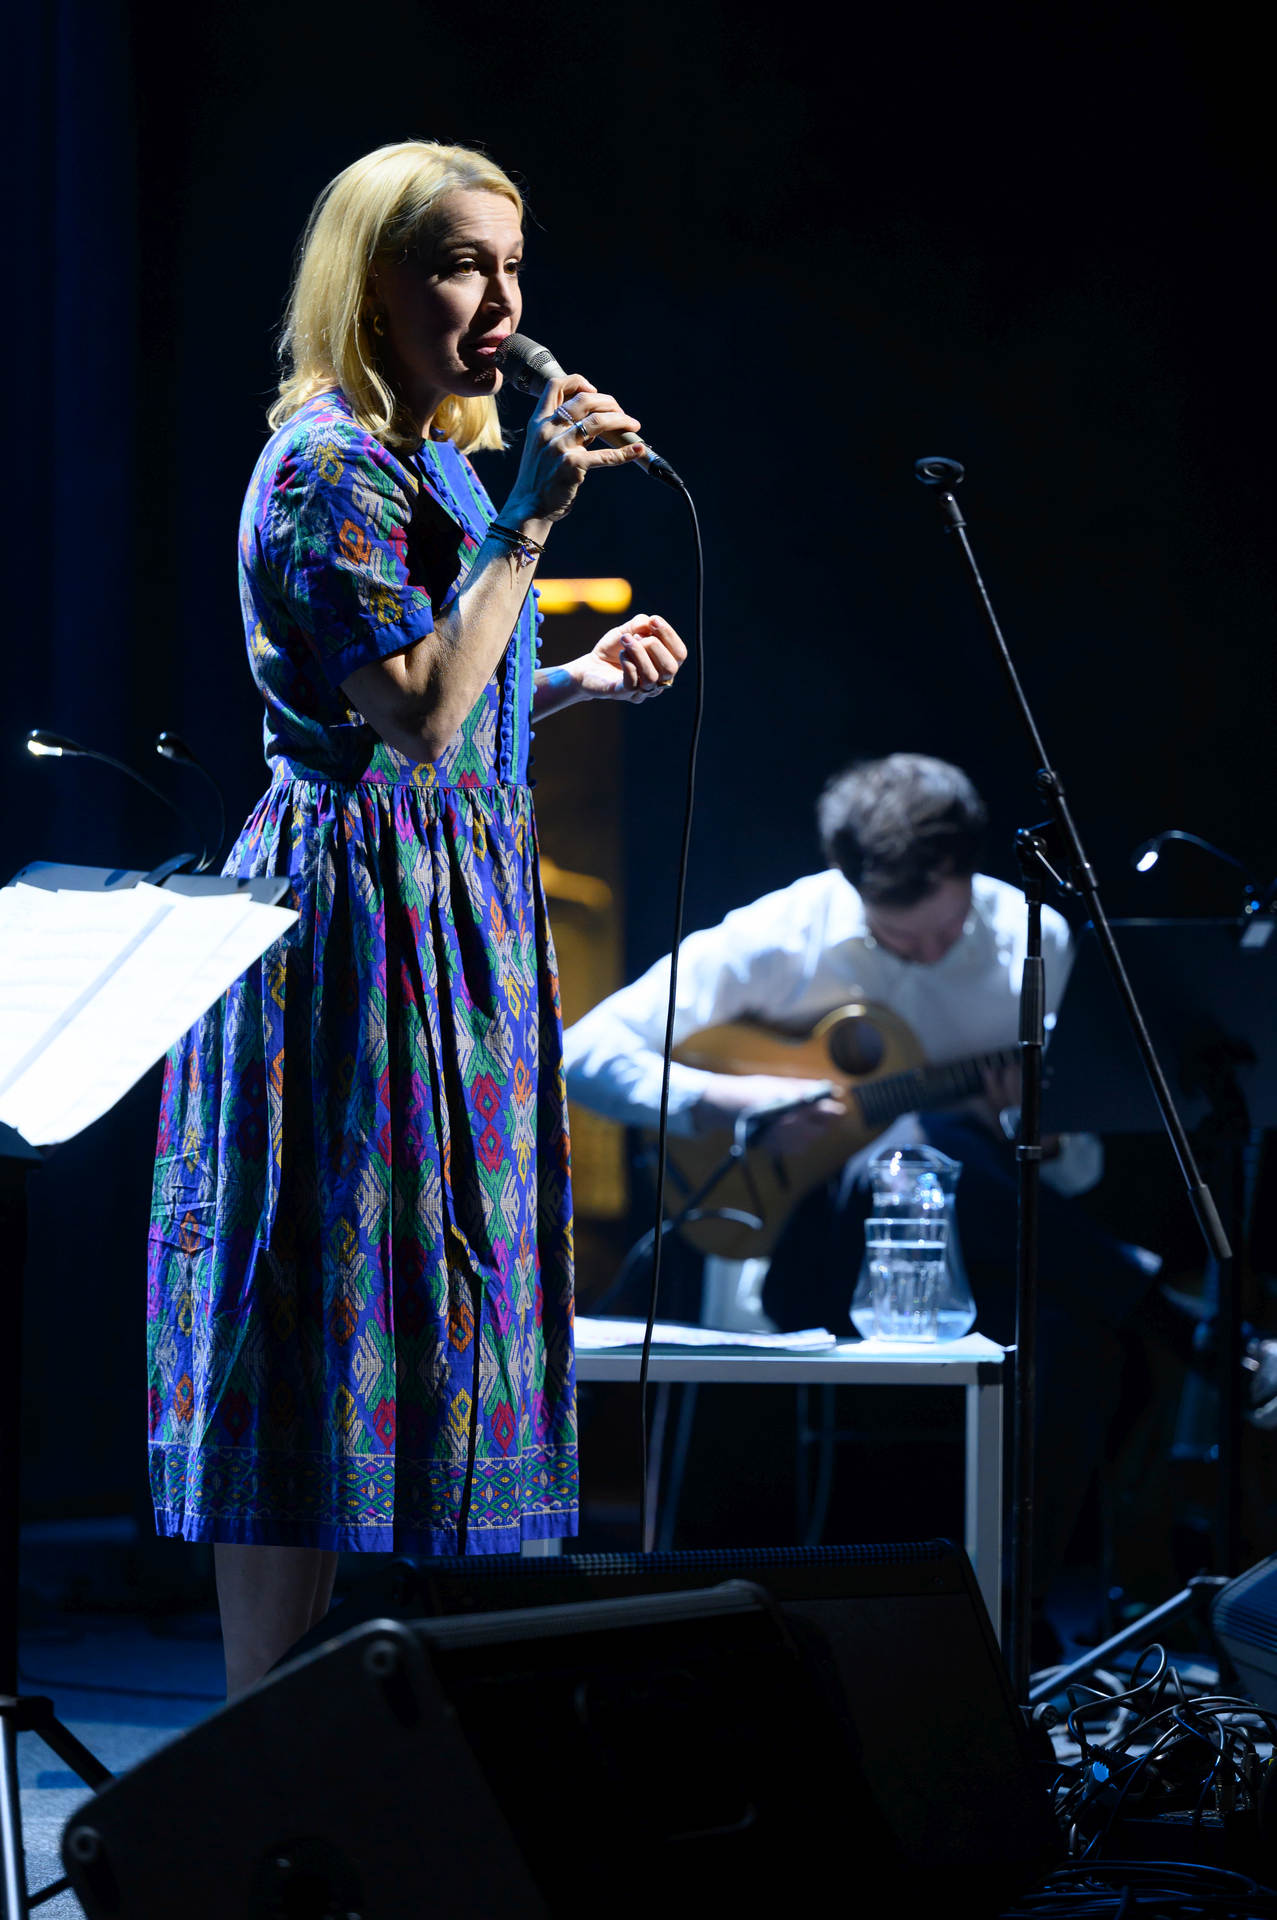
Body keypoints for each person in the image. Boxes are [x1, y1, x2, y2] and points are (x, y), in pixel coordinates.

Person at [146, 140, 687, 1696]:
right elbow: (413, 718)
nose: (500, 302)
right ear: (372, 284)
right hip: (351, 925)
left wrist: (571, 681)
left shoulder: (442, 459)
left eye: (513, 266)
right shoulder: (325, 469)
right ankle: (264, 1731)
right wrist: (531, 523)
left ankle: (415, 1727)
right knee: (318, 1311)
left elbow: (463, 708)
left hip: (459, 913)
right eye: (460, 265)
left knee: (439, 1303)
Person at [563, 754, 1275, 1620]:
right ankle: (1188, 1326)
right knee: (924, 1142)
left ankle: (1009, 1612)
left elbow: (1075, 1166)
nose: (930, 954)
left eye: (944, 932)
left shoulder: (1035, 941)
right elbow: (585, 1052)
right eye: (901, 940)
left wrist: (1041, 1135)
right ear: (851, 884)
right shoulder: (786, 930)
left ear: (969, 869)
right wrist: (735, 1101)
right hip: (813, 1256)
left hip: (980, 1254)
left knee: (1070, 1331)